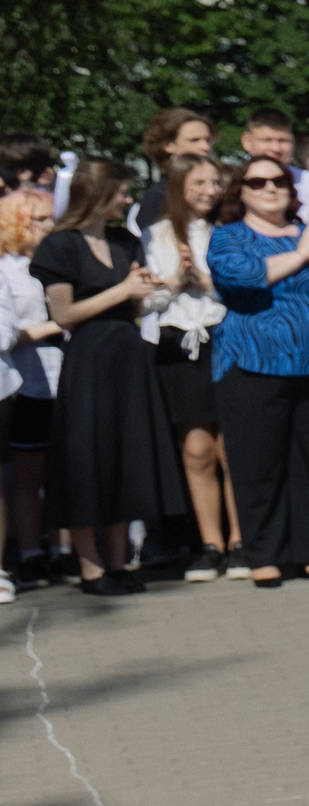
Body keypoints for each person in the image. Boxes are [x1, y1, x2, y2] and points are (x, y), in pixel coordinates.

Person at [34, 160, 188, 595]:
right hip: (89, 359)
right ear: (97, 193)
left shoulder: (124, 241)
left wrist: (161, 286)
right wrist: (121, 291)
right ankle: (90, 566)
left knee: (128, 454)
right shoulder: (60, 245)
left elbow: (137, 306)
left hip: (128, 356)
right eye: (120, 192)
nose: (126, 200)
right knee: (86, 459)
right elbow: (63, 314)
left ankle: (119, 561)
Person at [209, 155, 309, 586]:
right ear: (241, 191)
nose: (270, 188)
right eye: (257, 182)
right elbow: (244, 278)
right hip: (253, 360)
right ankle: (262, 552)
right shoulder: (229, 237)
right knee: (257, 461)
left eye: (278, 181)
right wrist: (303, 253)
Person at [141, 155, 245, 580]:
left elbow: (244, 289)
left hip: (225, 337)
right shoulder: (155, 235)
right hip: (179, 343)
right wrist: (173, 283)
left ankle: (241, 540)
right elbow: (143, 300)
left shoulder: (229, 233)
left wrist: (204, 281)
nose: (209, 190)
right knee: (197, 447)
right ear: (179, 185)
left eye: (215, 182)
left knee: (232, 446)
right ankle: (209, 542)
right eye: (199, 182)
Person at [0, 190, 65, 585]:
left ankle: (65, 549)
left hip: (65, 372)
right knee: (28, 473)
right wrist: (61, 323)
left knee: (67, 466)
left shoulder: (55, 262)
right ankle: (31, 551)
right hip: (27, 379)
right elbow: (9, 333)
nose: (48, 227)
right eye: (40, 219)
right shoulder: (7, 270)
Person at [133, 107, 217, 229]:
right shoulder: (159, 196)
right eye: (194, 140)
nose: (205, 147)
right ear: (169, 146)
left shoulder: (216, 189)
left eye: (208, 140)